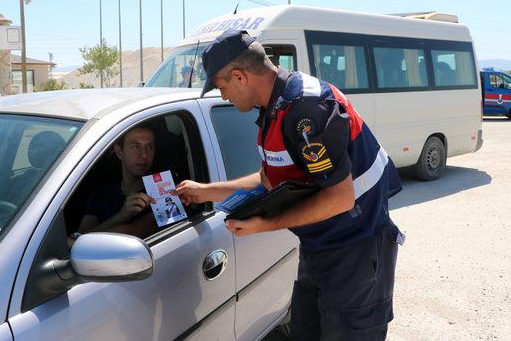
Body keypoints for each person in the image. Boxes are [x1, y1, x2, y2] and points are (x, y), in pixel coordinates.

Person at [175, 29, 404, 341]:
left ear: (240, 77)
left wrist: (264, 224)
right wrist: (207, 190)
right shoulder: (275, 107)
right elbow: (269, 178)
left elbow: (340, 199)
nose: (223, 96)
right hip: (320, 248)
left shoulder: (306, 109)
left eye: (221, 86)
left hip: (356, 252)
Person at [76, 124, 158, 239]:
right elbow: (80, 240)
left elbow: (138, 231)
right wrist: (121, 216)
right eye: (135, 147)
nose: (144, 155)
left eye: (149, 147)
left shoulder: (162, 191)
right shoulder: (100, 195)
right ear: (119, 152)